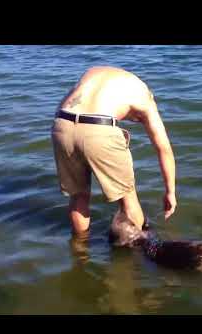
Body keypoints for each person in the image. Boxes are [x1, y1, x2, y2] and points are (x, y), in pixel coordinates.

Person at [51, 66, 176, 235]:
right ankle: (135, 256)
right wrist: (170, 192)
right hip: (99, 129)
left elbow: (64, 104)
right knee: (128, 198)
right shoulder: (145, 98)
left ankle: (80, 251)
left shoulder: (93, 72)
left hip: (62, 124)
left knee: (78, 196)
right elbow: (164, 148)